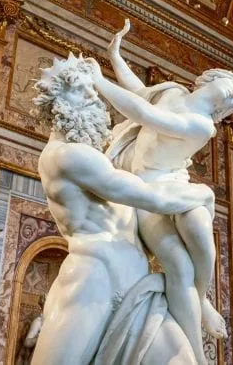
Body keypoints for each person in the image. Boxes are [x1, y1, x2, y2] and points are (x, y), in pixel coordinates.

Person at [31, 55, 210, 364]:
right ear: (56, 100)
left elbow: (142, 112)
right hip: (93, 281)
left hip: (136, 286)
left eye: (92, 89)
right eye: (79, 89)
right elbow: (150, 198)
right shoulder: (66, 157)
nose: (92, 96)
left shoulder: (100, 155)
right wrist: (203, 194)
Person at [90, 20, 233, 363]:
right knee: (177, 264)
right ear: (211, 76)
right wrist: (114, 56)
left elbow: (145, 114)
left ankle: (202, 300)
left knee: (195, 223)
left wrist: (98, 81)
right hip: (144, 191)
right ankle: (196, 351)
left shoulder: (203, 126)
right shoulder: (173, 91)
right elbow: (139, 95)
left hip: (175, 185)